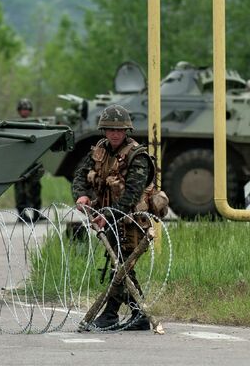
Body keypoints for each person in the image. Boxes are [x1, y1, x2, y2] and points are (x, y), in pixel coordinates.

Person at [72, 104, 153, 331]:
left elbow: (131, 195)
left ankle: (109, 316)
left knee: (121, 268)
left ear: (126, 131)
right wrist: (82, 197)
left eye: (119, 130)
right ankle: (141, 314)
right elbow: (80, 175)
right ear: (104, 131)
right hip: (109, 218)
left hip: (132, 221)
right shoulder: (100, 150)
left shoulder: (137, 156)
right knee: (123, 267)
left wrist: (108, 215)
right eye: (110, 129)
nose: (115, 134)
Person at [14, 98, 44, 222]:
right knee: (20, 189)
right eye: (23, 109)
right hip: (19, 161)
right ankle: (22, 214)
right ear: (19, 110)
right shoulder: (14, 124)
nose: (25, 111)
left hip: (33, 161)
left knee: (36, 187)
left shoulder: (35, 124)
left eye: (27, 109)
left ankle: (36, 213)